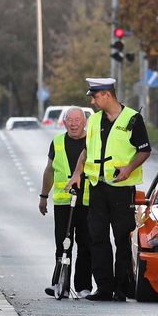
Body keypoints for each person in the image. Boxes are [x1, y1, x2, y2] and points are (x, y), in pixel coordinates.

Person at [69, 78, 151, 302]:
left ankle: (122, 288)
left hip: (121, 189)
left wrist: (129, 168)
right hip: (97, 187)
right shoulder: (94, 120)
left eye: (95, 97)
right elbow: (86, 151)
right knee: (97, 238)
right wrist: (77, 174)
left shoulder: (132, 118)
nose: (93, 101)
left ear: (107, 95)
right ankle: (104, 288)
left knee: (122, 238)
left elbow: (144, 150)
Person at [39, 106, 93, 297]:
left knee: (86, 245)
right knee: (62, 245)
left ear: (85, 122)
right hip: (63, 202)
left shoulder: (93, 141)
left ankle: (83, 287)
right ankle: (58, 284)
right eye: (70, 120)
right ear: (64, 122)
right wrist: (43, 196)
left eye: (78, 120)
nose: (74, 123)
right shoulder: (58, 141)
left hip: (87, 202)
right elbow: (49, 170)